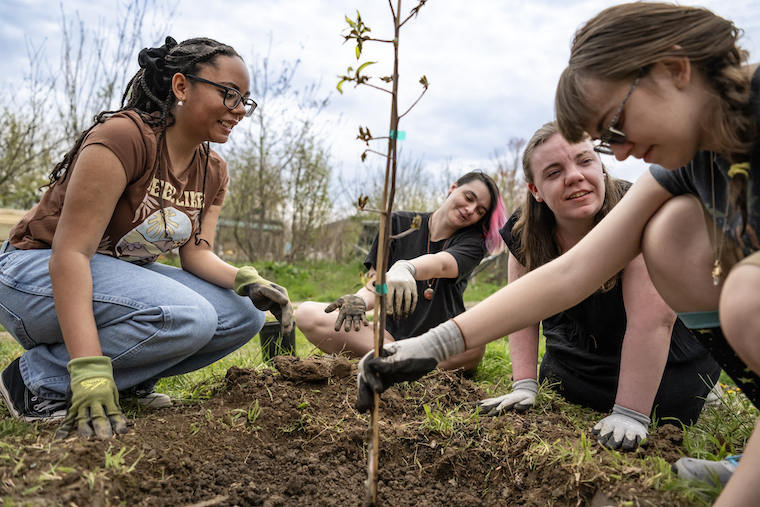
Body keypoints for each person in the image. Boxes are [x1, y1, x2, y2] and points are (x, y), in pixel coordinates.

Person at [355, 4, 760, 505]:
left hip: (691, 358)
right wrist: (428, 347)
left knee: (743, 290)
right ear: (535, 190)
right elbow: (573, 272)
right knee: (672, 232)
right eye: (609, 140)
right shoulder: (689, 163)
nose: (625, 152)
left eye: (614, 128)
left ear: (674, 68)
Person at [0, 37, 293, 440]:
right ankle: (35, 381)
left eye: (245, 100)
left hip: (107, 277)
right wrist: (87, 369)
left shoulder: (213, 171)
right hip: (31, 275)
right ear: (181, 86)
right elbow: (70, 254)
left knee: (244, 315)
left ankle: (127, 382)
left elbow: (197, 255)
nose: (240, 110)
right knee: (189, 314)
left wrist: (246, 280)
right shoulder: (124, 138)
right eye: (229, 95)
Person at [475, 122, 721, 450]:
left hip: (664, 351)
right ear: (536, 191)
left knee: (670, 406)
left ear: (602, 168)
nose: (575, 176)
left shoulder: (639, 210)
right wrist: (524, 385)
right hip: (583, 347)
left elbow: (653, 322)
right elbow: (522, 312)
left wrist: (631, 414)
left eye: (585, 161)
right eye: (553, 172)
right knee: (559, 382)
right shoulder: (525, 231)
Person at [295, 170, 506, 372]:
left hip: (441, 343)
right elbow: (376, 284)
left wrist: (405, 268)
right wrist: (358, 301)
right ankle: (399, 361)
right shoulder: (398, 224)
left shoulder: (473, 243)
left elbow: (442, 264)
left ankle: (381, 357)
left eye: (480, 211)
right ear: (453, 187)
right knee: (307, 314)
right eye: (469, 198)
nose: (471, 209)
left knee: (475, 346)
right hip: (389, 337)